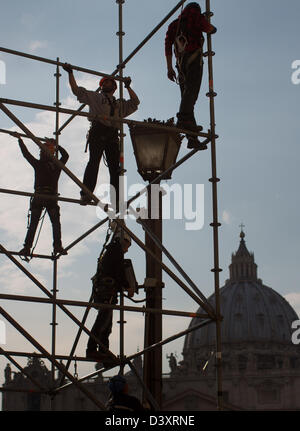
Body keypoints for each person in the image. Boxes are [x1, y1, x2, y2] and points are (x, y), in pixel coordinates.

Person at [63, 64, 140, 210]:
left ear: (114, 86)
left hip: (112, 135)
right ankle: (86, 193)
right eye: (103, 82)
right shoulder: (96, 97)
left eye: (108, 82)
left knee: (115, 168)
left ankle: (117, 200)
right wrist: (70, 74)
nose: (105, 83)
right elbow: (76, 91)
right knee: (94, 162)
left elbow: (135, 103)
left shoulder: (119, 104)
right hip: (98, 131)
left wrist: (128, 87)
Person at [165, 2, 216, 148]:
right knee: (191, 94)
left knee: (187, 98)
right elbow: (210, 29)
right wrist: (211, 26)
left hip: (180, 64)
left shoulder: (174, 24)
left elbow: (167, 47)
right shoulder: (195, 16)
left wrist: (169, 68)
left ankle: (192, 137)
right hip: (194, 60)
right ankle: (183, 119)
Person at [15, 134, 69, 256]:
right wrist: (56, 145)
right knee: (54, 223)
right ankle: (57, 246)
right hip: (48, 196)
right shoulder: (54, 165)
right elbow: (65, 156)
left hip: (41, 196)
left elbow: (26, 154)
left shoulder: (41, 164)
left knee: (35, 223)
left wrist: (20, 140)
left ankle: (28, 247)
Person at [86, 229, 134, 362]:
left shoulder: (111, 251)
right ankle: (92, 349)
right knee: (102, 322)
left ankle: (103, 351)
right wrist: (128, 286)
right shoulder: (115, 251)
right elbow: (118, 271)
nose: (126, 250)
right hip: (107, 292)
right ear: (123, 241)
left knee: (107, 324)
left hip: (105, 291)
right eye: (127, 247)